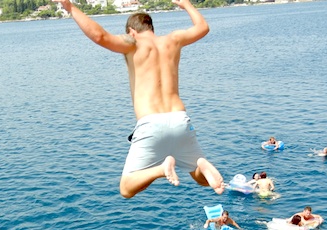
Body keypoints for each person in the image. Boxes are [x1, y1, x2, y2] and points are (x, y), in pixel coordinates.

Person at [53, 0, 224, 198]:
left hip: (151, 122)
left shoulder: (132, 43)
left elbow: (99, 36)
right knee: (200, 178)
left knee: (126, 188)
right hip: (179, 119)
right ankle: (201, 165)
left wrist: (70, 7)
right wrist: (186, 4)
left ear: (131, 32)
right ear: (150, 27)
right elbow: (203, 27)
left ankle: (162, 169)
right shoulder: (173, 40)